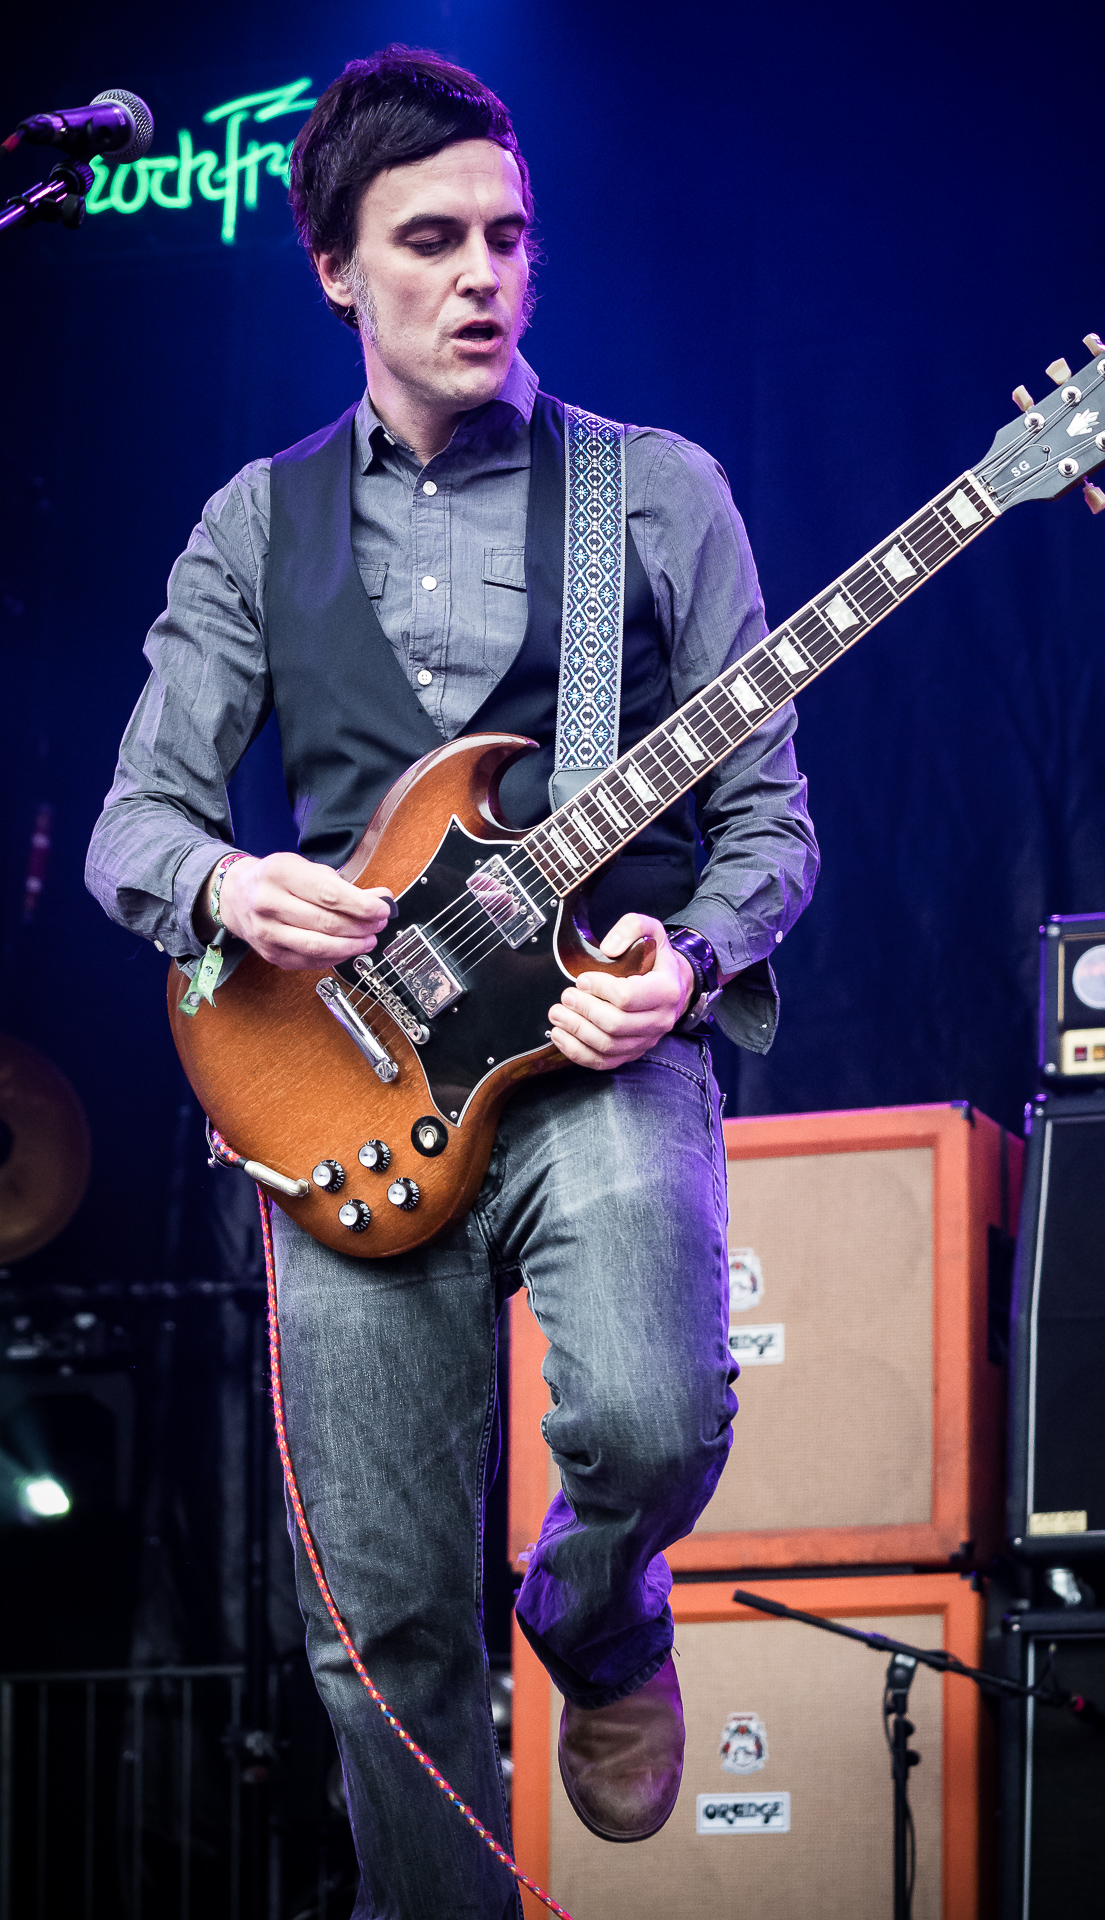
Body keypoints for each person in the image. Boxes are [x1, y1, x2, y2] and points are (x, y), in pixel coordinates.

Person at [87, 45, 818, 1919]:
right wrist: (231, 882)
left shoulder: (655, 495)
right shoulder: (253, 524)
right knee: (382, 1627)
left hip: (595, 1050)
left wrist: (686, 959)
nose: (483, 274)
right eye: (430, 241)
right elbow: (136, 826)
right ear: (336, 268)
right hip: (335, 1084)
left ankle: (597, 1605)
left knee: (654, 1415)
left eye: (508, 235)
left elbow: (768, 831)